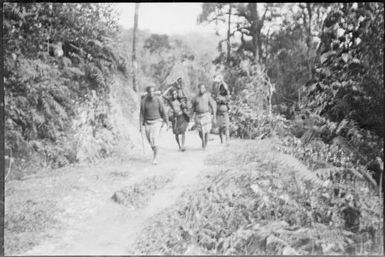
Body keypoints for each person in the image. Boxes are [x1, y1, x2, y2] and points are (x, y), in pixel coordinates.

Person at [140, 84, 169, 165]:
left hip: (157, 122)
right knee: (150, 140)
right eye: (150, 92)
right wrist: (140, 125)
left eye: (153, 91)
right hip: (147, 122)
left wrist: (167, 121)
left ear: (155, 92)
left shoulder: (158, 99)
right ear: (147, 93)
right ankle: (155, 150)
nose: (151, 93)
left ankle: (155, 158)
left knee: (154, 140)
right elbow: (141, 114)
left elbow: (163, 111)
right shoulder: (144, 101)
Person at [191, 83, 217, 150]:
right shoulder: (195, 98)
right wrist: (191, 116)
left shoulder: (208, 96)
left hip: (206, 115)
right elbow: (192, 108)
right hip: (198, 115)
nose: (201, 89)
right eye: (200, 88)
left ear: (205, 89)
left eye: (203, 88)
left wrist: (214, 115)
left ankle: (205, 144)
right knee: (200, 131)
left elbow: (212, 106)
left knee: (207, 131)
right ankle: (203, 140)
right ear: (198, 89)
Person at [213, 77, 231, 145]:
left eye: (224, 89)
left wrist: (222, 81)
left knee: (226, 127)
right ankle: (221, 141)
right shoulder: (218, 95)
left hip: (225, 113)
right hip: (219, 114)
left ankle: (227, 141)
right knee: (220, 129)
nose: (223, 90)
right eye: (222, 89)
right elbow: (217, 99)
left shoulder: (227, 96)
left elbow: (226, 88)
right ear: (220, 90)